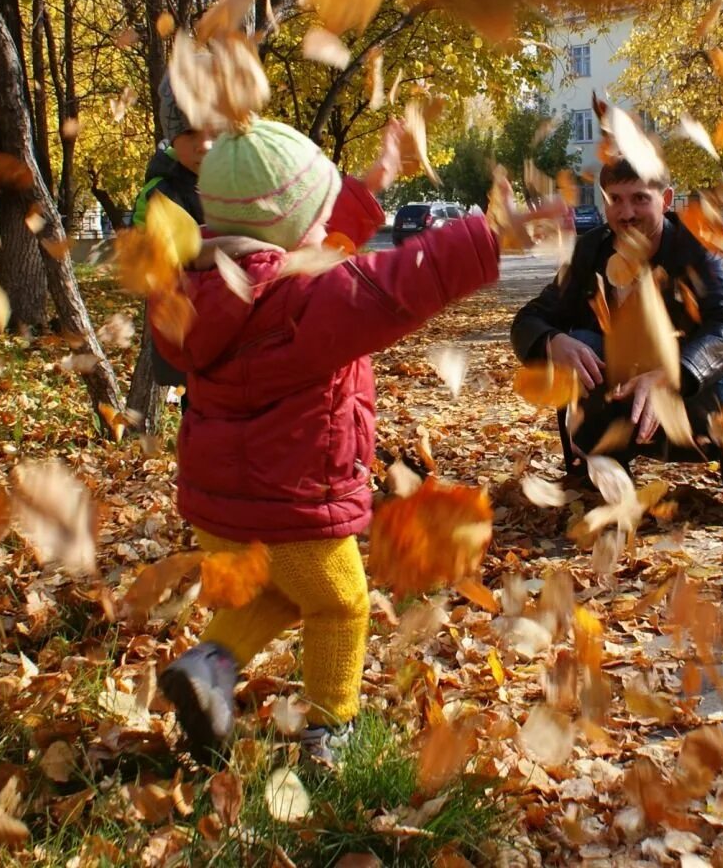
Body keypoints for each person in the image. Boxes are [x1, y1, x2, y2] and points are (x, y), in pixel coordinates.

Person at [151, 116, 549, 763]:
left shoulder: (197, 289)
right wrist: (488, 236)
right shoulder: (307, 301)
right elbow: (396, 285)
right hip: (292, 507)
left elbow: (319, 241)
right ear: (286, 226)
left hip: (220, 508)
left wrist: (375, 180)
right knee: (341, 605)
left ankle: (208, 668)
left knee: (279, 592)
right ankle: (327, 731)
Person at [510, 157, 723, 528]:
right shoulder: (591, 250)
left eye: (640, 198)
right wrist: (552, 341)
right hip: (624, 402)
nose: (625, 213)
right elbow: (530, 318)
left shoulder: (697, 248)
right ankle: (603, 475)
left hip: (696, 405)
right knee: (579, 342)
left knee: (718, 364)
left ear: (666, 199)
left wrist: (670, 374)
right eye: (615, 199)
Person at [132, 76, 210, 396]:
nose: (203, 144)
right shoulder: (161, 192)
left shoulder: (237, 184)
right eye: (189, 132)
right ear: (172, 133)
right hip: (189, 328)